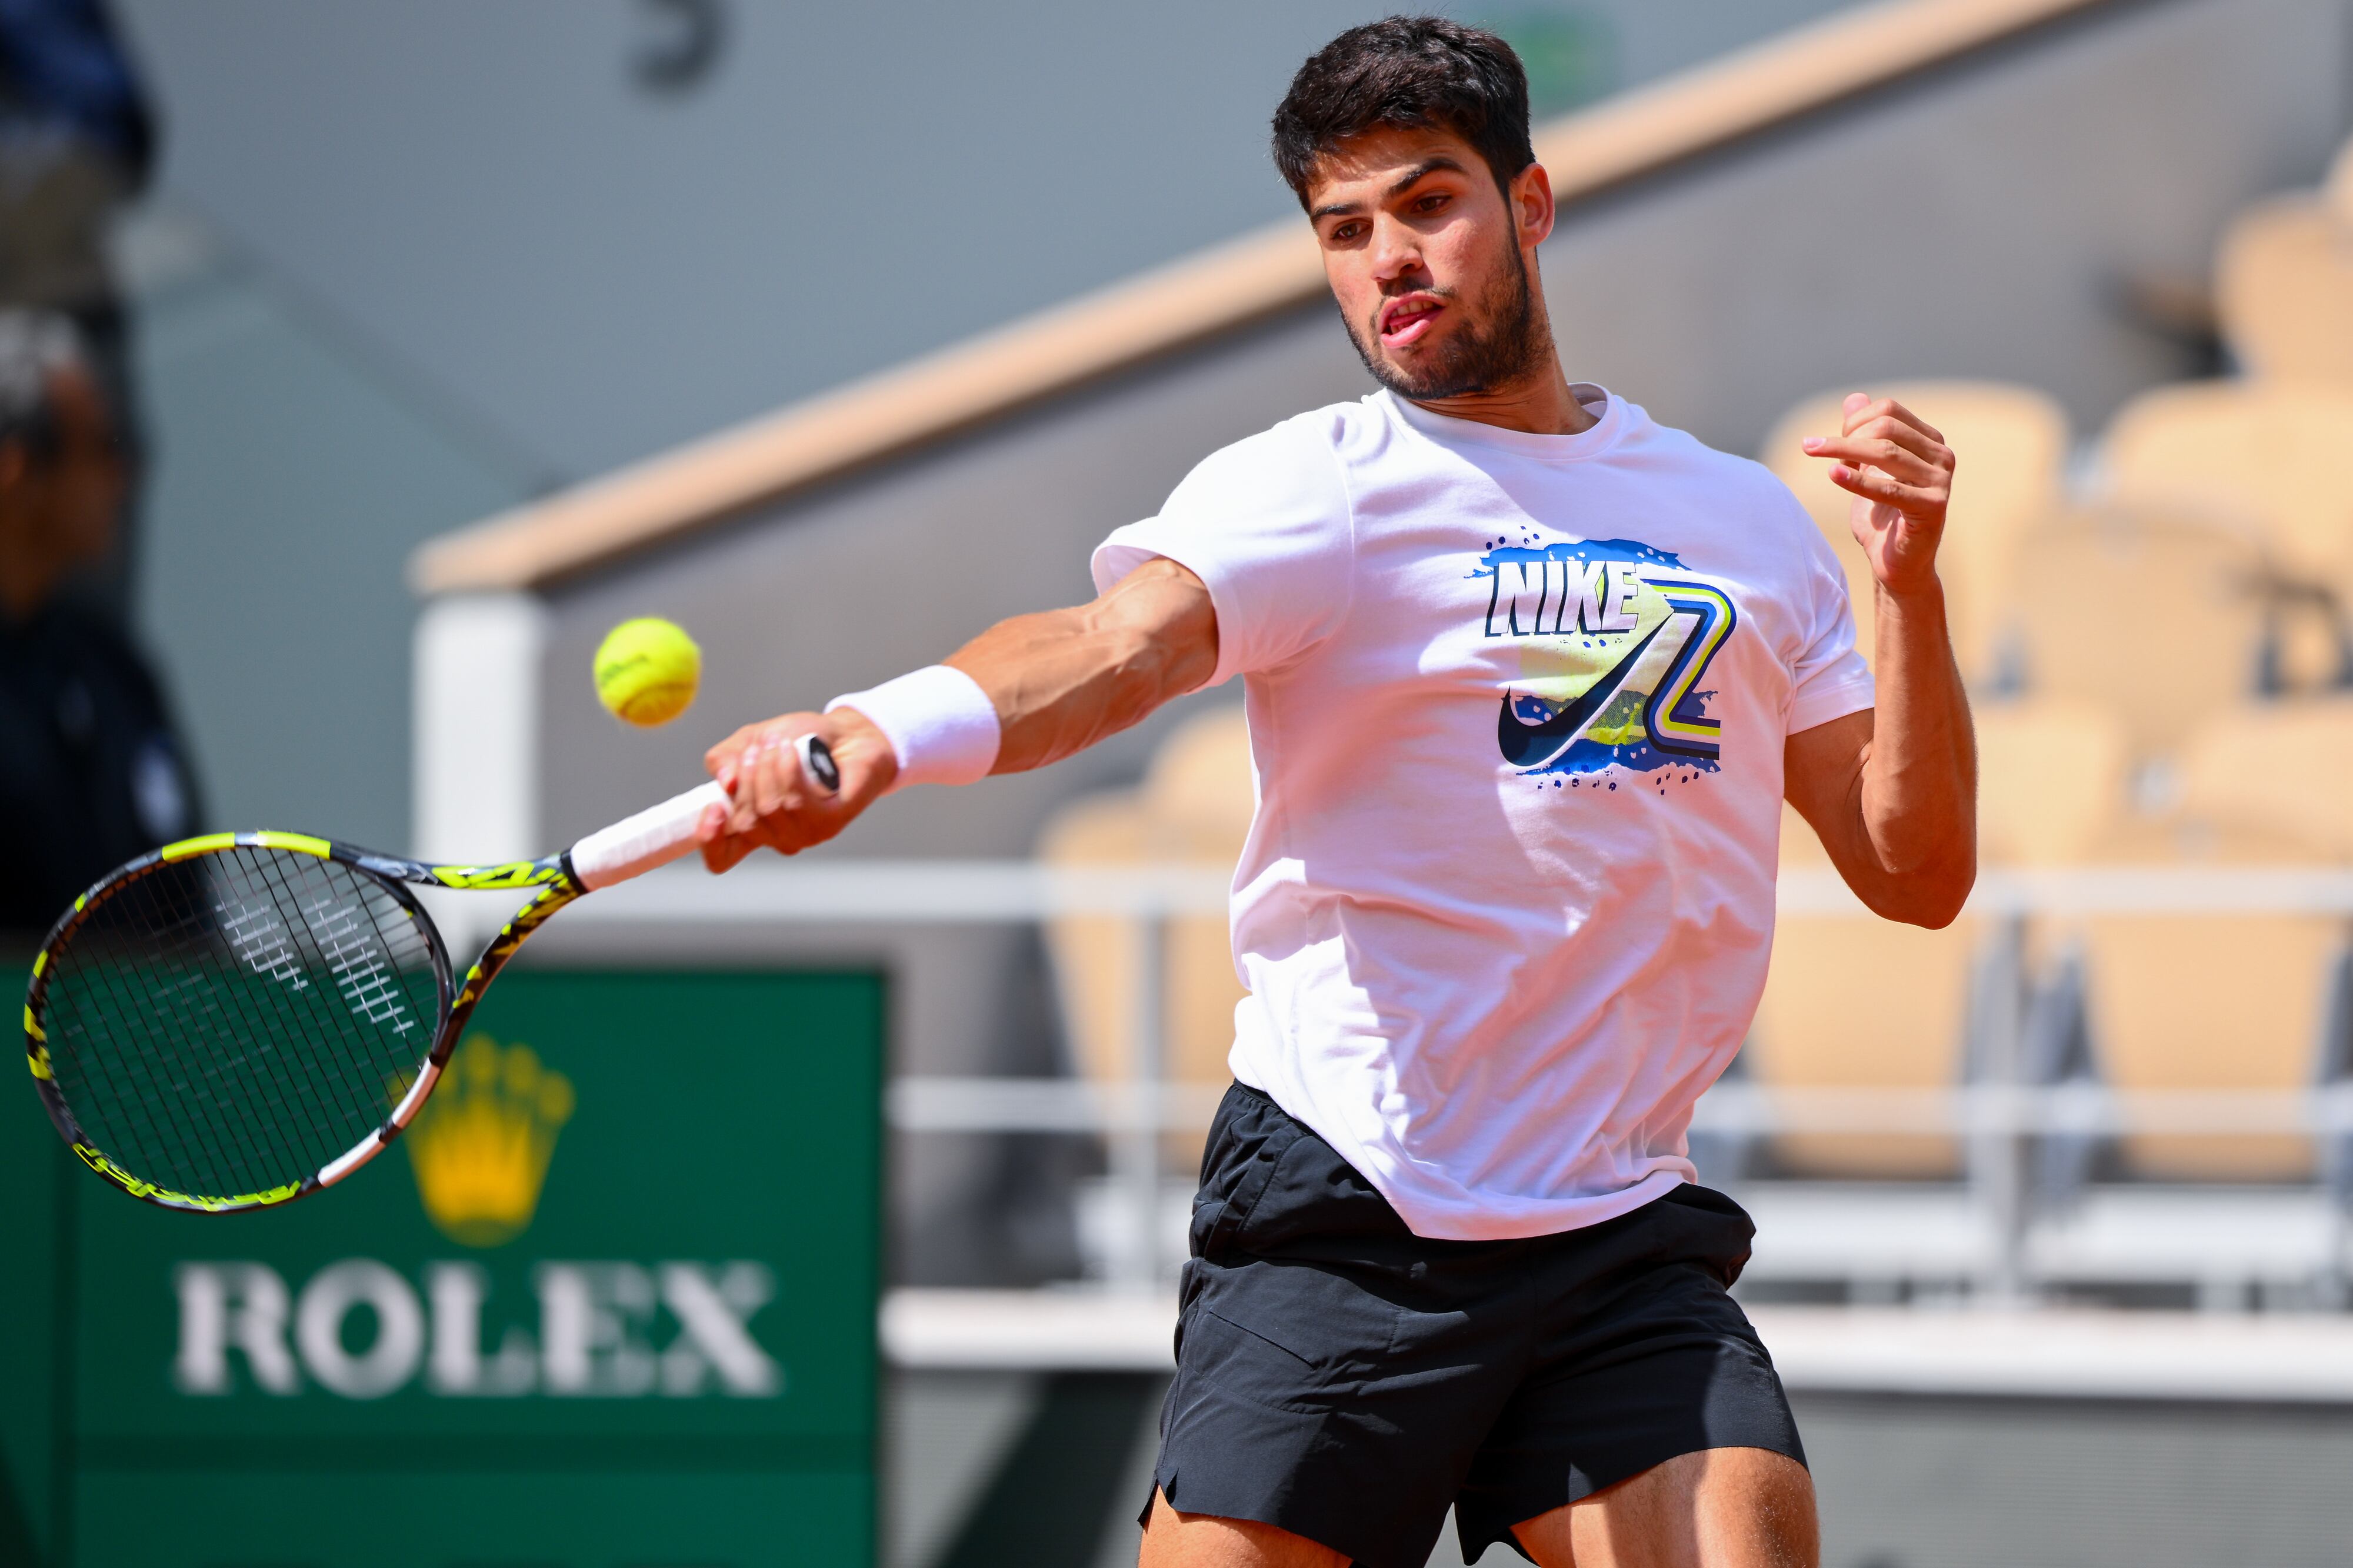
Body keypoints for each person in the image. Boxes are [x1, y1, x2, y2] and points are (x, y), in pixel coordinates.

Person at [701, 18, 1970, 1568]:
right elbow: (1112, 650)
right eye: (1345, 230)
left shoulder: (1747, 525)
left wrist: (1908, 595)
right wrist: (880, 729)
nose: (1391, 259)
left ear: (1532, 204)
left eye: (1429, 203)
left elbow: (1915, 872)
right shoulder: (1317, 487)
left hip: (1616, 1230)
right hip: (1353, 1204)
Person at [0, 309, 197, 936]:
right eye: (105, 446)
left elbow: (185, 910)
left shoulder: (116, 671)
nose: (125, 478)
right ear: (17, 467)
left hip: (138, 1032)